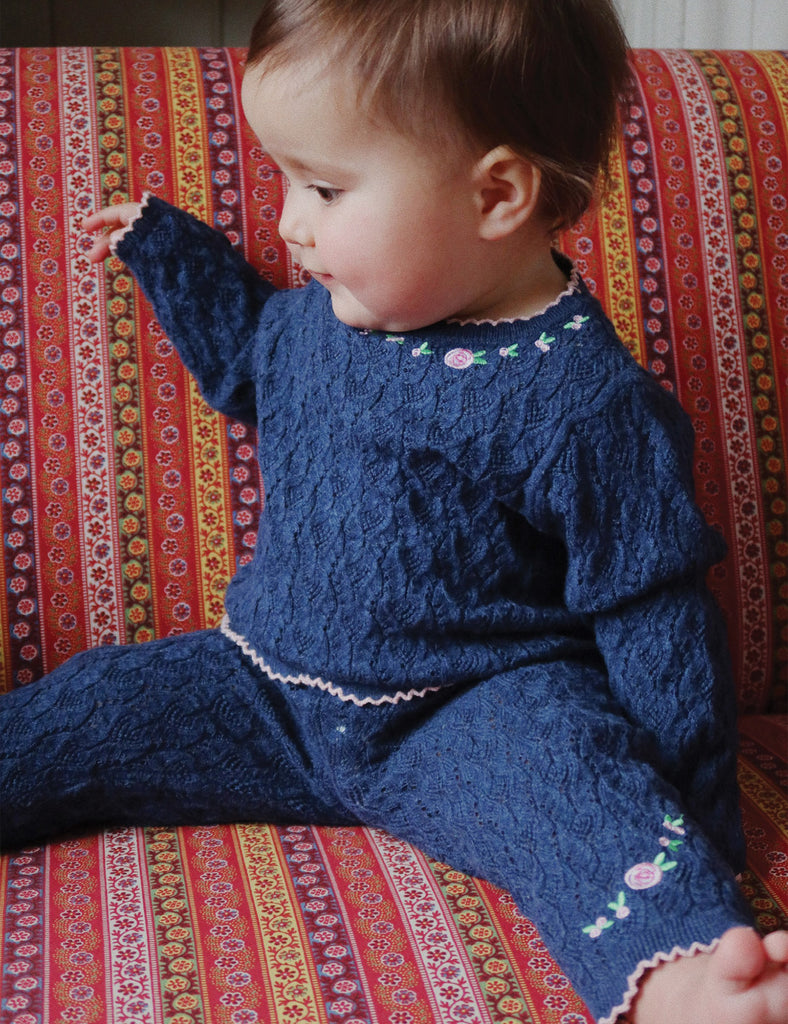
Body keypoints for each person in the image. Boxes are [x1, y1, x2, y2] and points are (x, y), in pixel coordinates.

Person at [2, 1, 787, 1021]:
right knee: (88, 707)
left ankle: (689, 978)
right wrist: (171, 254)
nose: (290, 222)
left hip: (468, 715)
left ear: (496, 192)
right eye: (287, 180)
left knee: (582, 796)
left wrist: (696, 816)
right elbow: (247, 362)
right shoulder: (324, 321)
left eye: (324, 186)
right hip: (261, 691)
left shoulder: (584, 402)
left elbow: (654, 615)